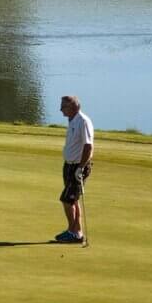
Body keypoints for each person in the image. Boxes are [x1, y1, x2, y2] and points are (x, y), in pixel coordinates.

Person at [56, 95, 94, 245]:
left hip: (78, 166)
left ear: (73, 107)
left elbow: (88, 146)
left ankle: (73, 232)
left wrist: (81, 168)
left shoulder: (83, 121)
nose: (60, 109)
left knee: (66, 199)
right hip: (69, 165)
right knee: (73, 199)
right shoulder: (72, 120)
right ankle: (77, 232)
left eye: (63, 106)